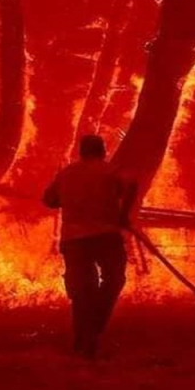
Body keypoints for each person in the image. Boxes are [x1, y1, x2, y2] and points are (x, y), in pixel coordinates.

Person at [42, 134, 136, 358]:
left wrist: (69, 199)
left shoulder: (67, 173)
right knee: (114, 280)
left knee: (81, 290)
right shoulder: (110, 170)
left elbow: (48, 199)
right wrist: (123, 214)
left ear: (81, 152)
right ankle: (94, 328)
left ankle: (82, 336)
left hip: (74, 239)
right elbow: (131, 185)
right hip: (106, 235)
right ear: (103, 151)